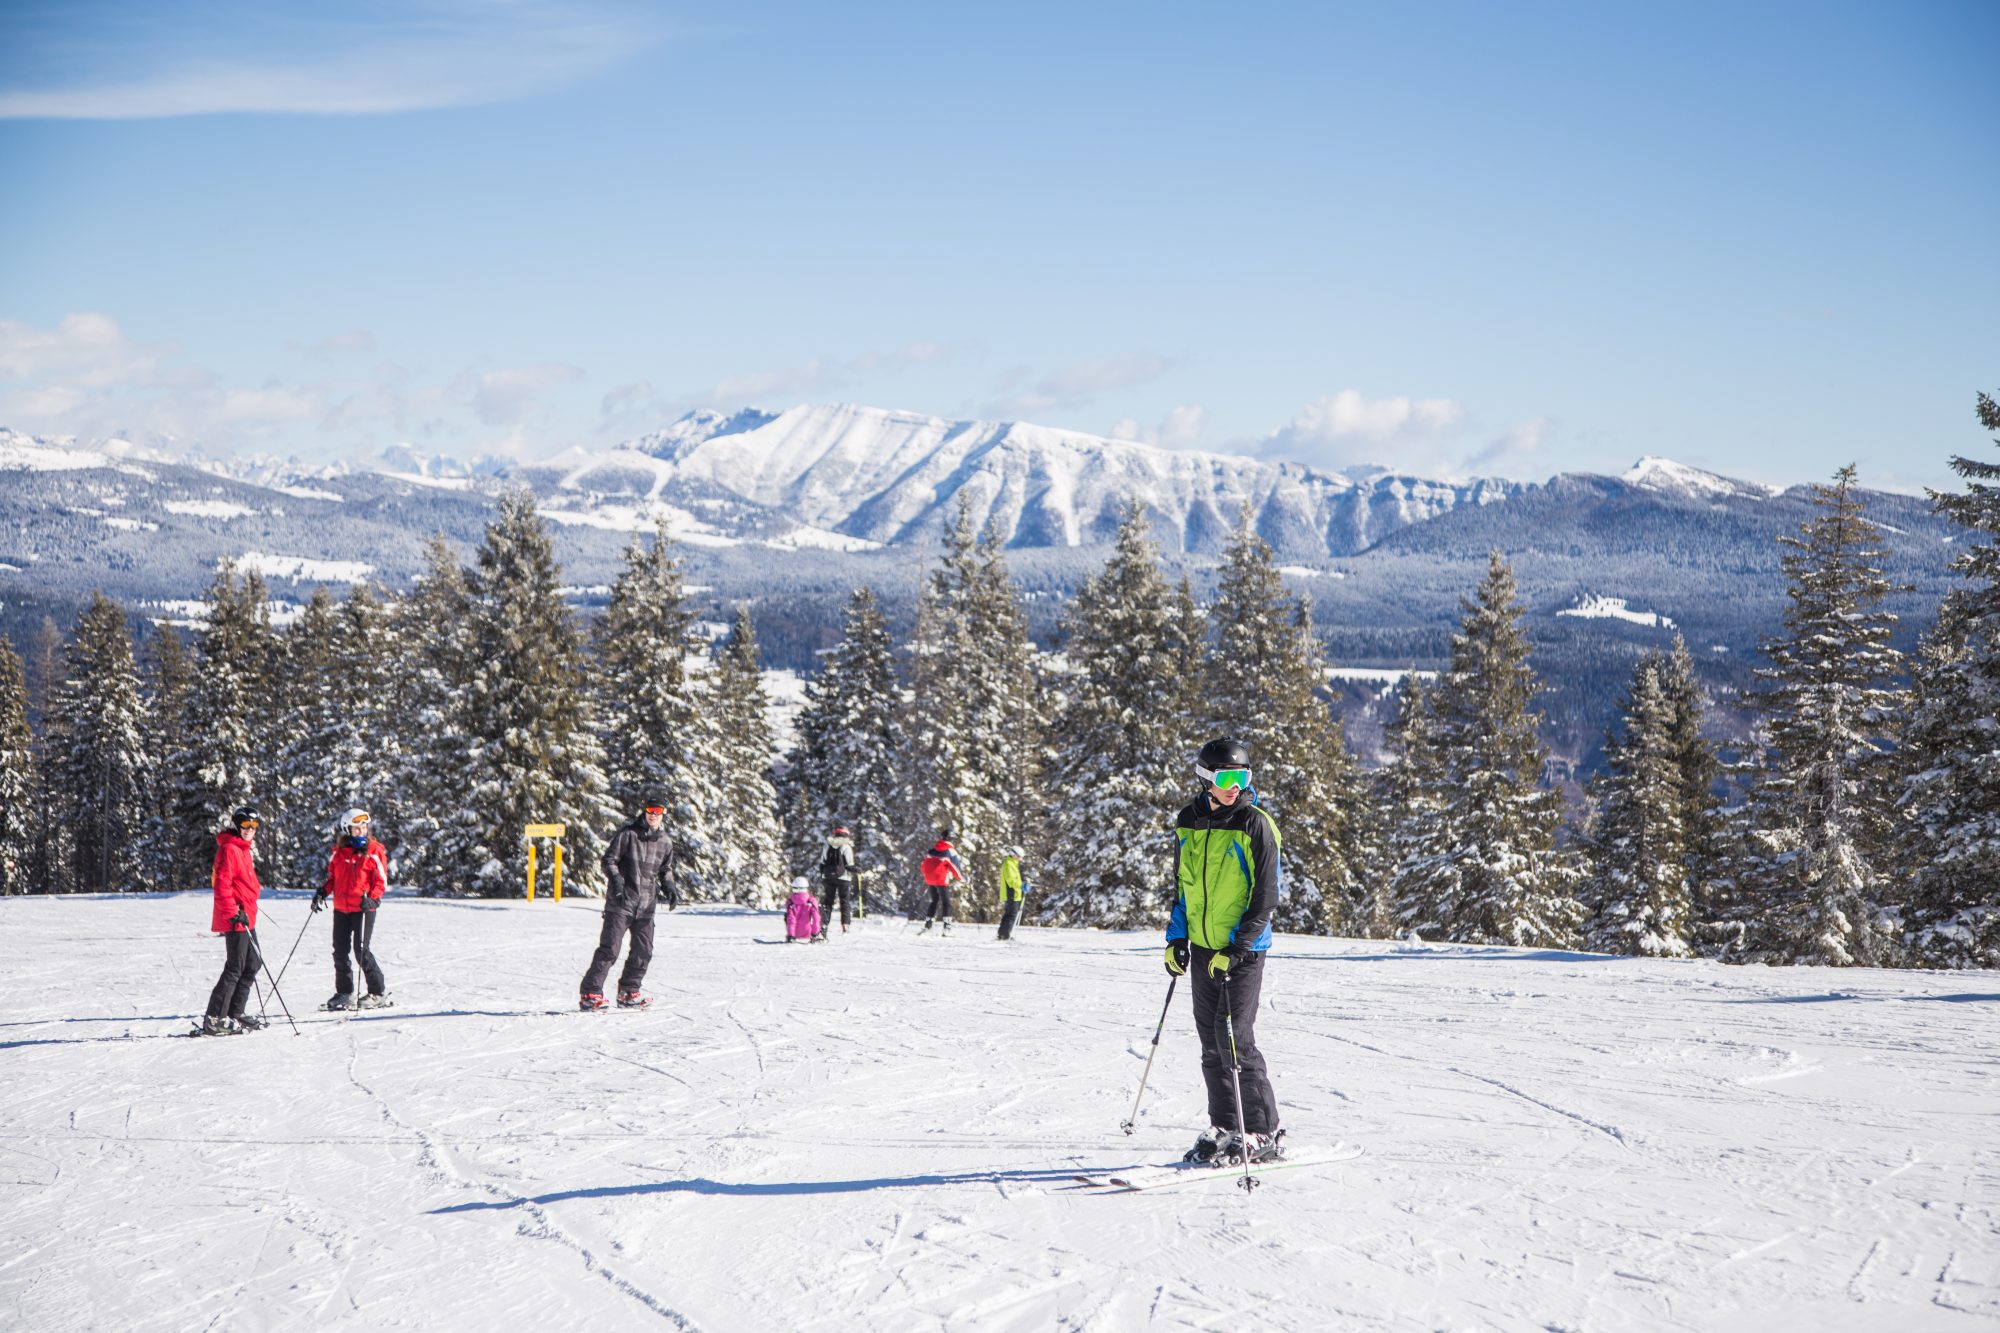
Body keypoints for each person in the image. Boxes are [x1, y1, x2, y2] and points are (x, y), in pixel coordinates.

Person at [1164, 738, 1284, 1165]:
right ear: (1205, 779)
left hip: (1243, 951)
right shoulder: (1188, 821)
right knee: (1210, 1040)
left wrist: (1237, 948)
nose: (1236, 786)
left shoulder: (1256, 825)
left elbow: (1266, 898)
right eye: (1227, 777)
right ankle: (1226, 1125)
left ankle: (1260, 1130)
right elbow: (1183, 887)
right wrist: (1177, 939)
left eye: (1243, 777)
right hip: (1202, 947)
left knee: (1235, 1038)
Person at [581, 790, 677, 1010]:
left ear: (663, 814)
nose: (653, 814)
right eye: (650, 810)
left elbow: (665, 869)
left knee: (644, 951)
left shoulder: (665, 842)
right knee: (609, 950)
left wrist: (670, 886)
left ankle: (628, 992)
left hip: (646, 907)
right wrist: (616, 880)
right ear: (644, 812)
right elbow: (609, 860)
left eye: (658, 811)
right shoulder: (628, 834)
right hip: (621, 903)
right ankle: (590, 994)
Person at [312, 808, 391, 1010]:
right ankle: (344, 992)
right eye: (356, 828)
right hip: (341, 908)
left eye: (364, 827)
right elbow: (332, 878)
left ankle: (377, 992)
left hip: (363, 908)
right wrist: (322, 892)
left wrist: (373, 899)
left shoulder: (374, 850)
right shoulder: (338, 853)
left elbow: (380, 880)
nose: (361, 831)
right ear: (347, 829)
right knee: (340, 952)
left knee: (361, 951)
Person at [200, 806, 267, 1036]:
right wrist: (233, 911)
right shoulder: (229, 849)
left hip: (247, 914)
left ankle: (234, 1013)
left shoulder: (243, 849)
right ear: (238, 826)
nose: (250, 830)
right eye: (247, 826)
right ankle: (215, 1018)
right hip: (236, 916)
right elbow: (222, 885)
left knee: (253, 963)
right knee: (236, 966)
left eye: (254, 826)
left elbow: (245, 882)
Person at [816, 825, 859, 939]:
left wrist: (822, 876)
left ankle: (824, 925)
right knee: (844, 901)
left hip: (828, 877)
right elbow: (849, 865)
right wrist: (856, 870)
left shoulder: (827, 846)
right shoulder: (846, 847)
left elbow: (822, 862)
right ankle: (845, 926)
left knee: (827, 902)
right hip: (844, 878)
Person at [917, 835, 963, 934]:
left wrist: (927, 876)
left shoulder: (931, 850)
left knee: (934, 901)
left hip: (929, 879)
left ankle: (928, 925)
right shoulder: (949, 852)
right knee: (946, 903)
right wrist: (963, 879)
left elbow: (924, 865)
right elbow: (955, 868)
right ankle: (947, 928)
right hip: (941, 880)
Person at [996, 846, 1026, 941]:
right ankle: (1005, 935)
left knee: (1009, 914)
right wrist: (1021, 885)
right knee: (1011, 915)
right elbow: (1010, 880)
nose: (1020, 859)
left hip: (1014, 893)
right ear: (1013, 854)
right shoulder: (1009, 864)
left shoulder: (1012, 864)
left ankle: (1002, 934)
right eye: (1019, 856)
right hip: (1011, 892)